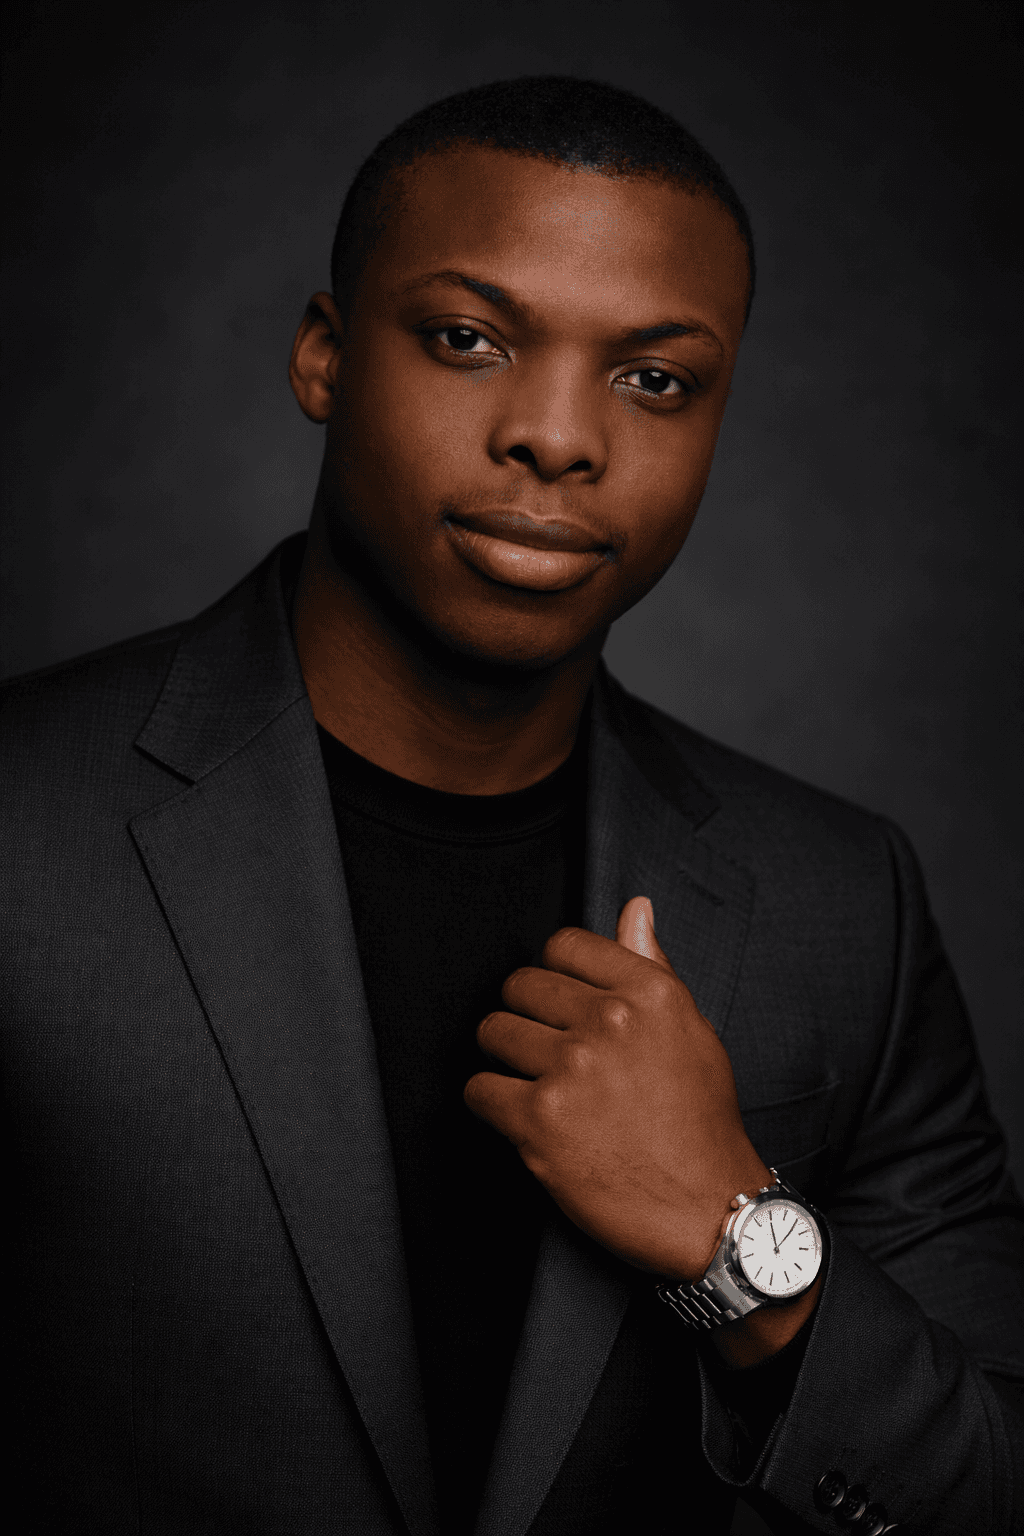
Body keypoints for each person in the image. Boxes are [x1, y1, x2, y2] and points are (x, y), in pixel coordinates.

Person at [3, 75, 1021, 1536]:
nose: (556, 437)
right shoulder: (24, 827)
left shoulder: (843, 900)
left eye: (654, 379)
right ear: (324, 355)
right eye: (468, 340)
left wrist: (735, 1245)